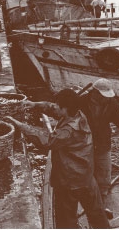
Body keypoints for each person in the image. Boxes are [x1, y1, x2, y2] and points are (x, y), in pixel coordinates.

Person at [11, 89, 110, 229]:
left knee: (66, 220)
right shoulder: (78, 114)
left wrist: (21, 126)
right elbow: (54, 109)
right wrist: (35, 105)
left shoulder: (67, 131)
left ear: (65, 109)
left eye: (58, 105)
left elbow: (46, 141)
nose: (55, 107)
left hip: (69, 181)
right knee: (96, 213)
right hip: (87, 177)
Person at [80, 78, 119, 209]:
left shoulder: (112, 104)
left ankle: (103, 192)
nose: (106, 99)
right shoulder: (81, 101)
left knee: (104, 167)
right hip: (84, 139)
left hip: (102, 140)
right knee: (85, 166)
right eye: (103, 96)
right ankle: (86, 188)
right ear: (94, 92)